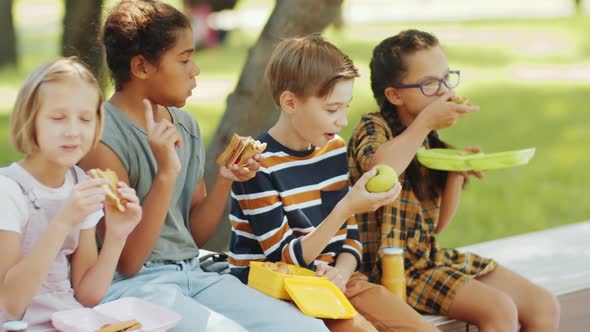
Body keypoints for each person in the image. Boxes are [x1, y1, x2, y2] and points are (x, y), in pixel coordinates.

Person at [79, 1, 328, 331]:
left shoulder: (184, 125)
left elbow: (193, 234)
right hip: (132, 285)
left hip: (193, 272)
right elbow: (129, 260)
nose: (195, 69)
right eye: (183, 59)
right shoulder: (100, 139)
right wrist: (166, 173)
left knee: (306, 328)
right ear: (141, 66)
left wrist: (225, 180)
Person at [347, 29, 560, 331]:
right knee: (499, 310)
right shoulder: (373, 127)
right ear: (394, 95)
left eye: (447, 78)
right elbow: (380, 171)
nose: (444, 90)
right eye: (430, 84)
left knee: (543, 305)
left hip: (428, 259)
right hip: (389, 268)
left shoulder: (429, 141)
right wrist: (426, 123)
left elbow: (438, 227)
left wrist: (456, 173)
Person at [228, 34, 439, 332]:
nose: (341, 121)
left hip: (335, 280)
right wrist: (346, 206)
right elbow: (283, 258)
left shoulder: (333, 148)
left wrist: (341, 272)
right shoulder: (257, 165)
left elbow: (349, 236)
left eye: (345, 107)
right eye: (331, 109)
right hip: (278, 291)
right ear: (290, 102)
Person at [0, 57, 142, 331]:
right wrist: (64, 221)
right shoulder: (8, 190)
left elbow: (87, 295)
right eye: (57, 118)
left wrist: (116, 235)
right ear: (31, 120)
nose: (73, 131)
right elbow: (9, 302)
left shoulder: (80, 182)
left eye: (85, 119)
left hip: (69, 320)